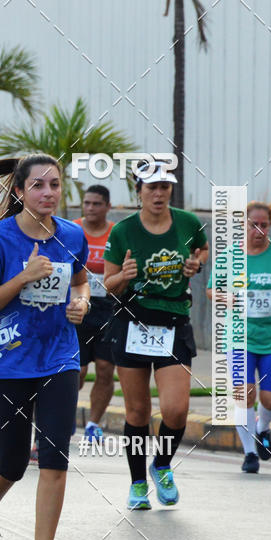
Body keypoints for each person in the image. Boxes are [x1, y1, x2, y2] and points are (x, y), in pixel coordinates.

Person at [0, 154, 90, 540]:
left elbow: (80, 281)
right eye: (37, 185)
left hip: (60, 359)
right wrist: (22, 278)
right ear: (19, 191)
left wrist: (82, 302)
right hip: (9, 362)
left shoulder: (73, 235)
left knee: (55, 458)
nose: (48, 193)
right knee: (15, 462)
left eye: (54, 184)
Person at [103, 159, 208, 510]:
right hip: (133, 321)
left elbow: (201, 248)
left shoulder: (188, 222)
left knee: (176, 411)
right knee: (137, 411)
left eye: (165, 187)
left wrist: (197, 263)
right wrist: (125, 276)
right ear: (139, 192)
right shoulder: (123, 232)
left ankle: (161, 465)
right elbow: (110, 285)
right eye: (152, 188)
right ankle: (136, 483)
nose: (159, 193)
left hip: (174, 320)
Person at [206, 200, 271, 473]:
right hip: (239, 337)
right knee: (244, 393)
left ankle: (262, 427)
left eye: (264, 225)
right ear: (243, 225)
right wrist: (224, 297)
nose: (259, 231)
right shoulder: (228, 256)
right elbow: (212, 290)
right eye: (253, 225)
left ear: (270, 226)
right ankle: (249, 454)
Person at [73, 185, 116, 442]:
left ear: (108, 206)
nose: (90, 208)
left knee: (105, 368)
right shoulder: (72, 230)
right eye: (87, 203)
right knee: (76, 371)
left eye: (96, 204)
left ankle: (92, 424)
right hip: (78, 306)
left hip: (108, 308)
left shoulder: (115, 233)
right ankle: (64, 412)